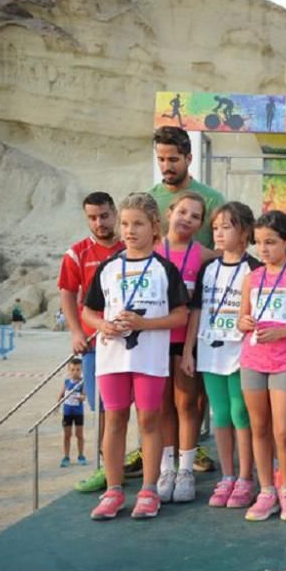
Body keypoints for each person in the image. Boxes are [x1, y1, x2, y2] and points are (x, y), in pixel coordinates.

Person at [83, 193, 189, 520]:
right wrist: (101, 324)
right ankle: (113, 490)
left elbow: (181, 316)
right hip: (112, 356)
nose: (129, 230)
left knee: (148, 420)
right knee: (114, 420)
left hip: (149, 357)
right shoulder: (109, 267)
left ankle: (148, 490)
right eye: (125, 223)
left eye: (138, 224)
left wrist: (145, 323)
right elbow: (88, 310)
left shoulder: (164, 269)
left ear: (154, 226)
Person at [238, 211, 286, 522]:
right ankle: (266, 490)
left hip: (285, 361)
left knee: (283, 430)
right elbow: (241, 318)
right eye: (258, 243)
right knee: (259, 427)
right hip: (253, 360)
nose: (263, 249)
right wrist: (243, 321)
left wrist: (281, 333)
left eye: (270, 242)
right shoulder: (252, 278)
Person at [182, 202, 261, 509]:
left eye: (225, 227)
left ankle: (246, 477)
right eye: (215, 227)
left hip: (241, 352)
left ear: (244, 233)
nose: (218, 233)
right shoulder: (208, 269)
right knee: (221, 415)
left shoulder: (253, 268)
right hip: (209, 349)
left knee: (242, 413)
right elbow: (197, 310)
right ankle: (227, 476)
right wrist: (188, 350)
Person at [58, 192, 126, 492]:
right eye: (92, 218)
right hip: (95, 344)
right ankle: (106, 469)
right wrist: (76, 332)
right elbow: (68, 293)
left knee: (146, 408)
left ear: (114, 212)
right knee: (103, 409)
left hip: (132, 339)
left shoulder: (131, 246)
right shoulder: (77, 253)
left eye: (104, 216)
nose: (99, 223)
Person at [156, 192, 218, 504]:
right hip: (153, 341)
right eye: (182, 211)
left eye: (195, 216)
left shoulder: (205, 255)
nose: (187, 219)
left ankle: (185, 471)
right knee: (162, 406)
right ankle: (165, 469)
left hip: (186, 341)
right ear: (169, 212)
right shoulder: (151, 250)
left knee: (187, 405)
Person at [150, 126, 226, 249]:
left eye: (173, 160)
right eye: (161, 159)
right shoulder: (149, 199)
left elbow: (225, 247)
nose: (166, 166)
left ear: (189, 159)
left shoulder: (213, 199)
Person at [59, 358, 88, 467]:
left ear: (81, 370)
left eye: (77, 369)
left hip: (78, 412)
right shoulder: (66, 382)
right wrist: (57, 405)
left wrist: (82, 397)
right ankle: (66, 456)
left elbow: (84, 395)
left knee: (79, 434)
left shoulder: (82, 382)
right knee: (67, 435)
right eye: (72, 369)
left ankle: (81, 455)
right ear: (68, 370)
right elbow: (61, 394)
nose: (75, 372)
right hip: (67, 412)